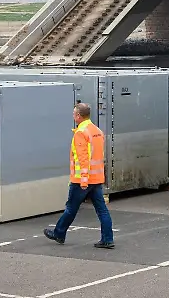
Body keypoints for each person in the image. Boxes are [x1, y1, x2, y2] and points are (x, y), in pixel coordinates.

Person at [44, 101, 114, 249]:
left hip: (83, 179)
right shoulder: (97, 131)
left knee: (71, 208)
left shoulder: (81, 133)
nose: (73, 115)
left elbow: (83, 158)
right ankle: (107, 239)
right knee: (102, 210)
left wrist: (83, 180)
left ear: (78, 116)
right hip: (96, 178)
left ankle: (59, 233)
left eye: (74, 113)